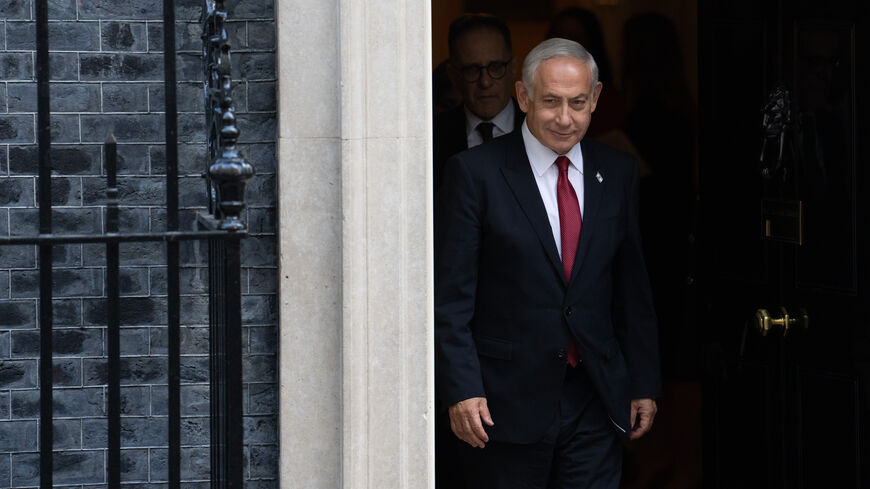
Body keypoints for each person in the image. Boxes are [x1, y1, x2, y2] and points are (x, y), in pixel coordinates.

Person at [435, 38, 661, 489]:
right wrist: (462, 389)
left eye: (578, 103)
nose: (565, 118)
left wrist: (643, 381)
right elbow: (450, 299)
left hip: (595, 394)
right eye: (551, 102)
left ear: (595, 98)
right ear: (522, 97)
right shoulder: (473, 174)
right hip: (502, 404)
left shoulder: (617, 172)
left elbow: (631, 287)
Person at [433, 14, 525, 192]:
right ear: (453, 76)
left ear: (513, 69)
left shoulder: (542, 133)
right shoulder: (431, 138)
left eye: (496, 67)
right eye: (471, 70)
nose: (485, 82)